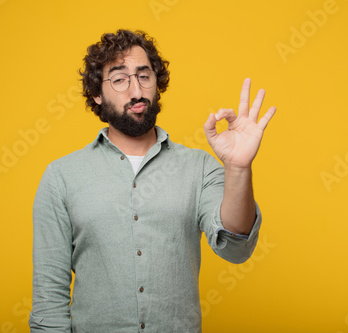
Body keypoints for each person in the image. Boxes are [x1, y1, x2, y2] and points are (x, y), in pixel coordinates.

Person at [29, 29, 276, 332]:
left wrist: (238, 169)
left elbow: (236, 249)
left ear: (157, 84)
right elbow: (48, 300)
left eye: (144, 77)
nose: (136, 91)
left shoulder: (199, 167)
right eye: (119, 79)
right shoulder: (61, 177)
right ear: (96, 93)